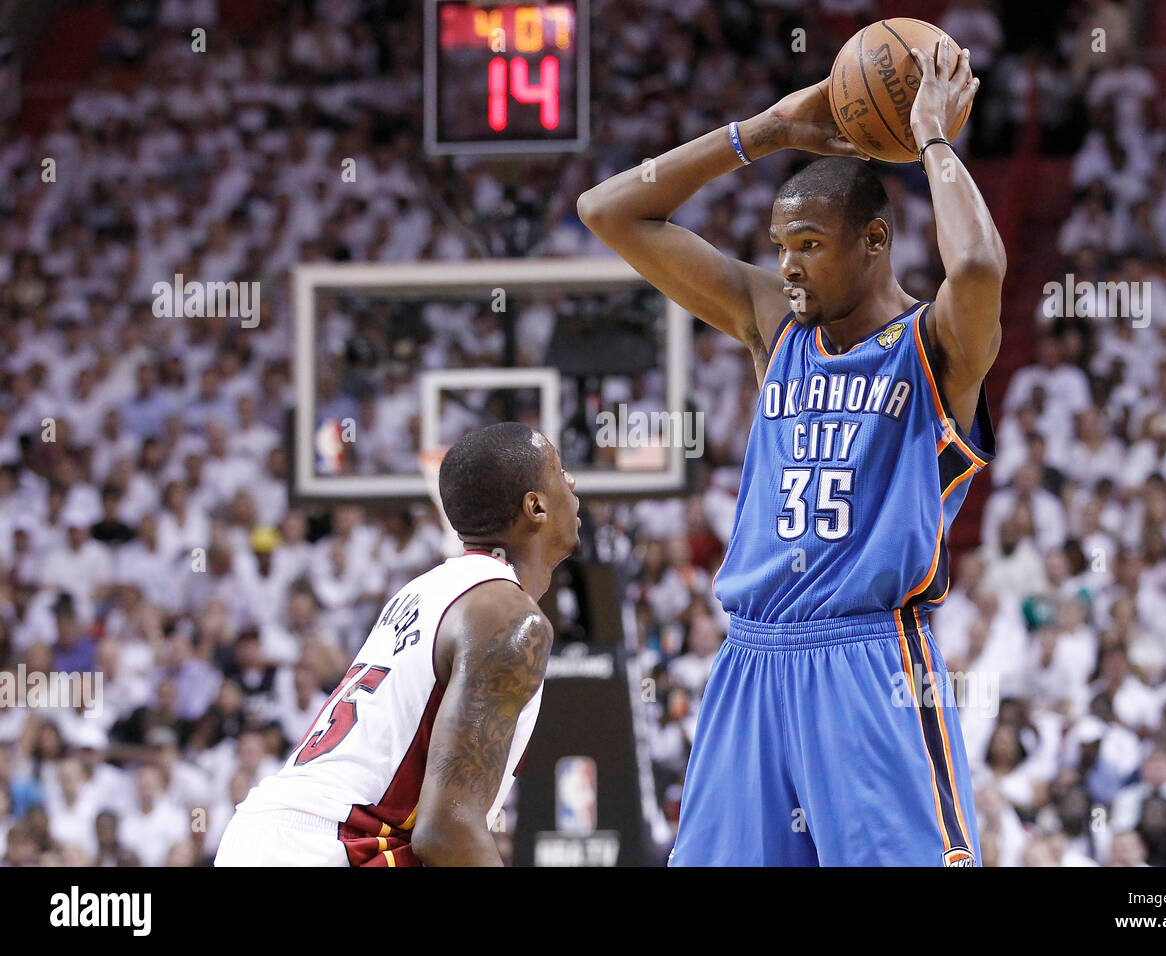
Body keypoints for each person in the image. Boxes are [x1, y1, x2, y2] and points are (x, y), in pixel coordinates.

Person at [579, 38, 1002, 866]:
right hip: (750, 661)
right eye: (779, 247)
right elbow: (609, 211)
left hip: (871, 662)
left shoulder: (935, 344)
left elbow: (980, 262)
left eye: (808, 244)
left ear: (874, 242)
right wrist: (765, 132)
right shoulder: (775, 324)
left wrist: (933, 142)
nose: (788, 266)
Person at [215, 423, 580, 865]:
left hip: (268, 833)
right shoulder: (510, 618)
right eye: (560, 471)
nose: (572, 482)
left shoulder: (423, 590)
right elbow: (447, 831)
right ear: (535, 507)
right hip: (328, 846)